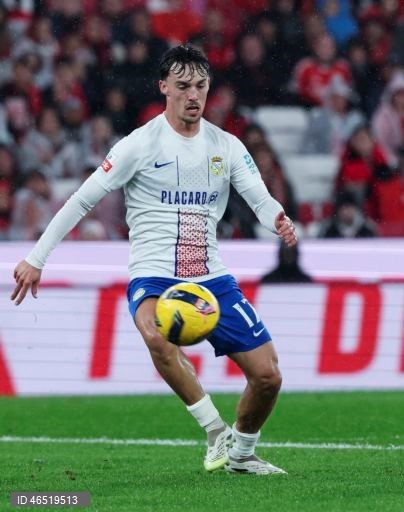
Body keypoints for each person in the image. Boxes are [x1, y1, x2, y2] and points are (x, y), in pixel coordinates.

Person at [10, 45, 298, 475]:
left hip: (211, 276)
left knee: (269, 376)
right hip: (154, 273)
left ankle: (241, 454)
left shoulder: (227, 145)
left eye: (200, 85)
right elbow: (82, 199)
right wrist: (37, 257)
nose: (193, 95)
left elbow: (257, 195)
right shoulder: (138, 145)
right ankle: (214, 431)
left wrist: (276, 216)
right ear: (164, 87)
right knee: (156, 335)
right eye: (183, 86)